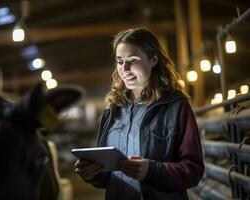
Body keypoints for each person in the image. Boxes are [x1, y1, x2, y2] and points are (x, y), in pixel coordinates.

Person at [74, 28, 204, 200]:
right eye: (120, 62)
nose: (125, 69)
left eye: (132, 60)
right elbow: (107, 178)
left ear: (153, 59)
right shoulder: (112, 110)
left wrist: (152, 170)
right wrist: (91, 173)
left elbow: (193, 170)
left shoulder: (176, 107)